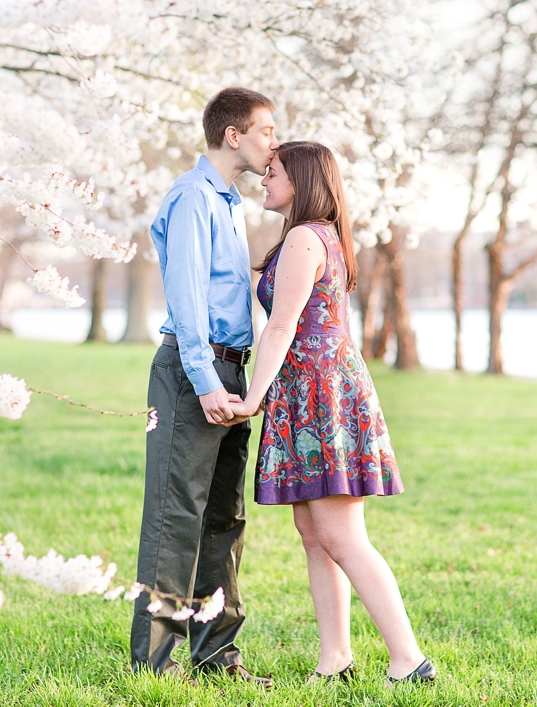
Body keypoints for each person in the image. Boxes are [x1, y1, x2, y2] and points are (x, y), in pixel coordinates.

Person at [226, 141, 436, 685]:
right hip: (312, 390)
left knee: (342, 536)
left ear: (301, 181)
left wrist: (251, 398)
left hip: (322, 394)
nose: (263, 181)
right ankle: (335, 659)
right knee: (314, 532)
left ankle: (409, 660)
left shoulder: (305, 237)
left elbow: (281, 326)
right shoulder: (316, 234)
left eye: (273, 173)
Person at [130, 87, 277, 686]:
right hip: (196, 372)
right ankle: (155, 666)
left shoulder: (229, 202)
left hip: (231, 370)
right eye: (266, 131)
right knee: (176, 518)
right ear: (233, 136)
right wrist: (206, 380)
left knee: (223, 517)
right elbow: (188, 298)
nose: (274, 142)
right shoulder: (193, 197)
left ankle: (218, 656)